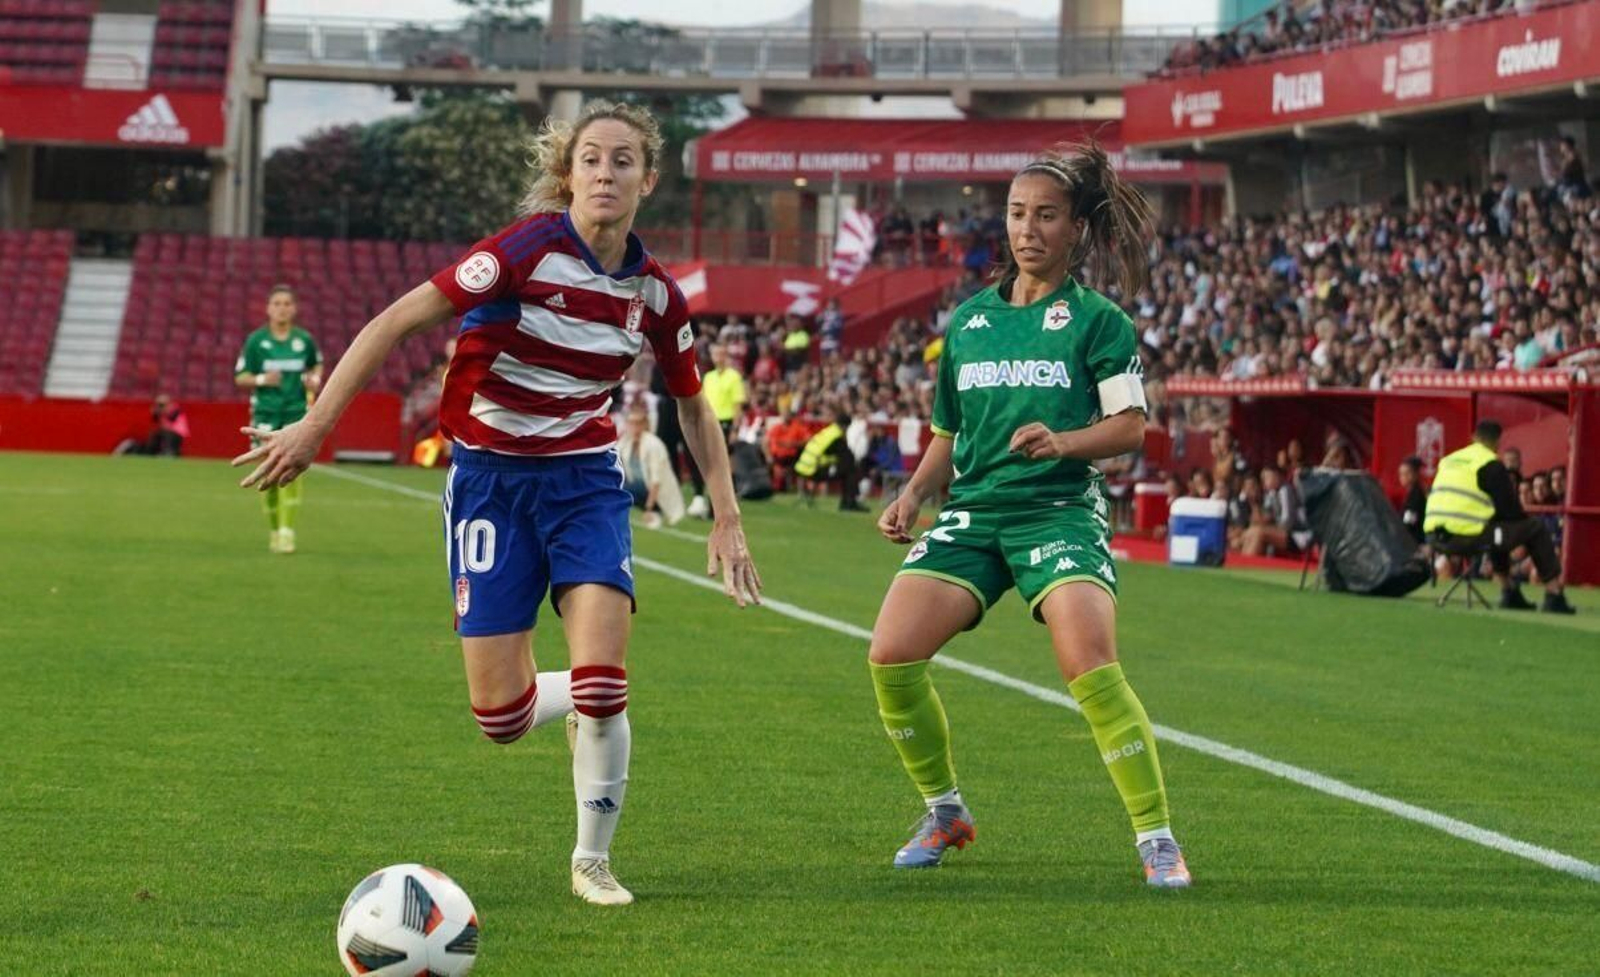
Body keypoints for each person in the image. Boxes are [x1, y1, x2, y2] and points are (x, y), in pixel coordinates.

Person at [232, 100, 763, 905]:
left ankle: (593, 856)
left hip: (585, 482)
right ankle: (579, 696)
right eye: (591, 159)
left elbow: (693, 404)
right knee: (501, 716)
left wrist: (727, 515)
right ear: (568, 174)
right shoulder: (524, 252)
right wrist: (315, 425)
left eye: (623, 161)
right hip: (490, 480)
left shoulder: (656, 295)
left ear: (647, 180)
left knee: (605, 681)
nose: (606, 173)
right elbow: (398, 318)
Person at [868, 141, 1191, 888]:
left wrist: (1062, 442)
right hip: (975, 514)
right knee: (890, 654)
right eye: (1017, 213)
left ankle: (1157, 839)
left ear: (1077, 227)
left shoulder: (1098, 320)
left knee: (1090, 662)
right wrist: (914, 493)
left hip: (1057, 511)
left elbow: (1130, 428)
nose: (1028, 228)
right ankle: (944, 810)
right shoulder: (971, 322)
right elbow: (950, 431)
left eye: (1046, 215)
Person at [1423, 420, 1574, 614]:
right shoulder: (1490, 463)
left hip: (1434, 538)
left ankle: (1510, 591)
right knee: (1534, 527)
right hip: (1465, 537)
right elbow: (1510, 510)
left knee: (1497, 531)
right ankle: (1554, 594)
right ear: (1497, 442)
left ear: (1473, 437)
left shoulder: (1449, 460)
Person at [233, 285, 322, 554]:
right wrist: (262, 379)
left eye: (286, 303)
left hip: (295, 414)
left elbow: (315, 365)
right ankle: (274, 529)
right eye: (277, 303)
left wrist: (314, 379)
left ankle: (286, 532)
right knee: (269, 476)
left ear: (294, 309)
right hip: (264, 415)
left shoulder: (303, 340)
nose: (282, 308)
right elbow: (240, 377)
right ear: (268, 308)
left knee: (291, 472)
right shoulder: (256, 342)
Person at [616, 401, 685, 527]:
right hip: (640, 489)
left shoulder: (653, 444)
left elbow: (655, 481)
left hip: (657, 495)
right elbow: (613, 459)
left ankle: (654, 510)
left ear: (644, 425)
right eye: (631, 423)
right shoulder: (626, 441)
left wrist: (649, 509)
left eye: (638, 423)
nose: (634, 427)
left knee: (622, 489)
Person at [794, 408, 865, 511]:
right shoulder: (837, 437)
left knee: (848, 468)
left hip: (803, 468)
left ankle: (848, 502)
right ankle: (849, 503)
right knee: (851, 470)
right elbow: (847, 456)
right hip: (814, 470)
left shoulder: (829, 431)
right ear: (845, 426)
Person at [700, 341, 746, 441]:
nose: (718, 357)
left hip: (727, 422)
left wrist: (735, 429)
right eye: (715, 354)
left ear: (726, 356)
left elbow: (737, 405)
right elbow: (704, 402)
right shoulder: (708, 377)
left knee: (726, 454)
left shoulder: (734, 377)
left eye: (720, 354)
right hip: (710, 422)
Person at [1396, 455, 1426, 544]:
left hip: (1415, 542)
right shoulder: (1411, 494)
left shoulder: (1416, 496)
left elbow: (1409, 522)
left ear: (1416, 474)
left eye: (1407, 473)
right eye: (1401, 474)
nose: (1402, 477)